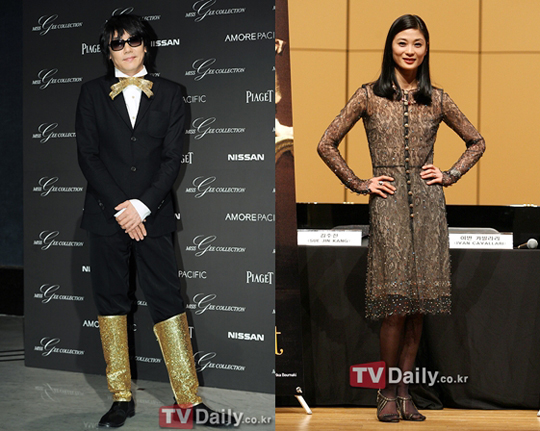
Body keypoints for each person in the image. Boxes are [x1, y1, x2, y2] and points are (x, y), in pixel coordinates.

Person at [317, 14, 485, 423]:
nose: (410, 51)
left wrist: (449, 174)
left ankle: (406, 393)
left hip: (429, 208)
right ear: (390, 47)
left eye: (417, 44)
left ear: (426, 50)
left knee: (417, 308)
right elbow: (326, 143)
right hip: (388, 206)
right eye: (402, 43)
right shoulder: (368, 96)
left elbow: (477, 141)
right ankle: (386, 392)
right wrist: (359, 183)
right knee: (395, 306)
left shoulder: (437, 99)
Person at [76, 14, 232, 428]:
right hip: (107, 216)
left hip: (154, 216)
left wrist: (141, 208)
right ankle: (120, 398)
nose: (126, 48)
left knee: (167, 301)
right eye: (117, 43)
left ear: (146, 45)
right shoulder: (90, 93)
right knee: (111, 303)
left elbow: (171, 159)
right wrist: (122, 208)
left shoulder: (172, 93)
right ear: (107, 51)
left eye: (133, 40)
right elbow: (87, 157)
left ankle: (188, 400)